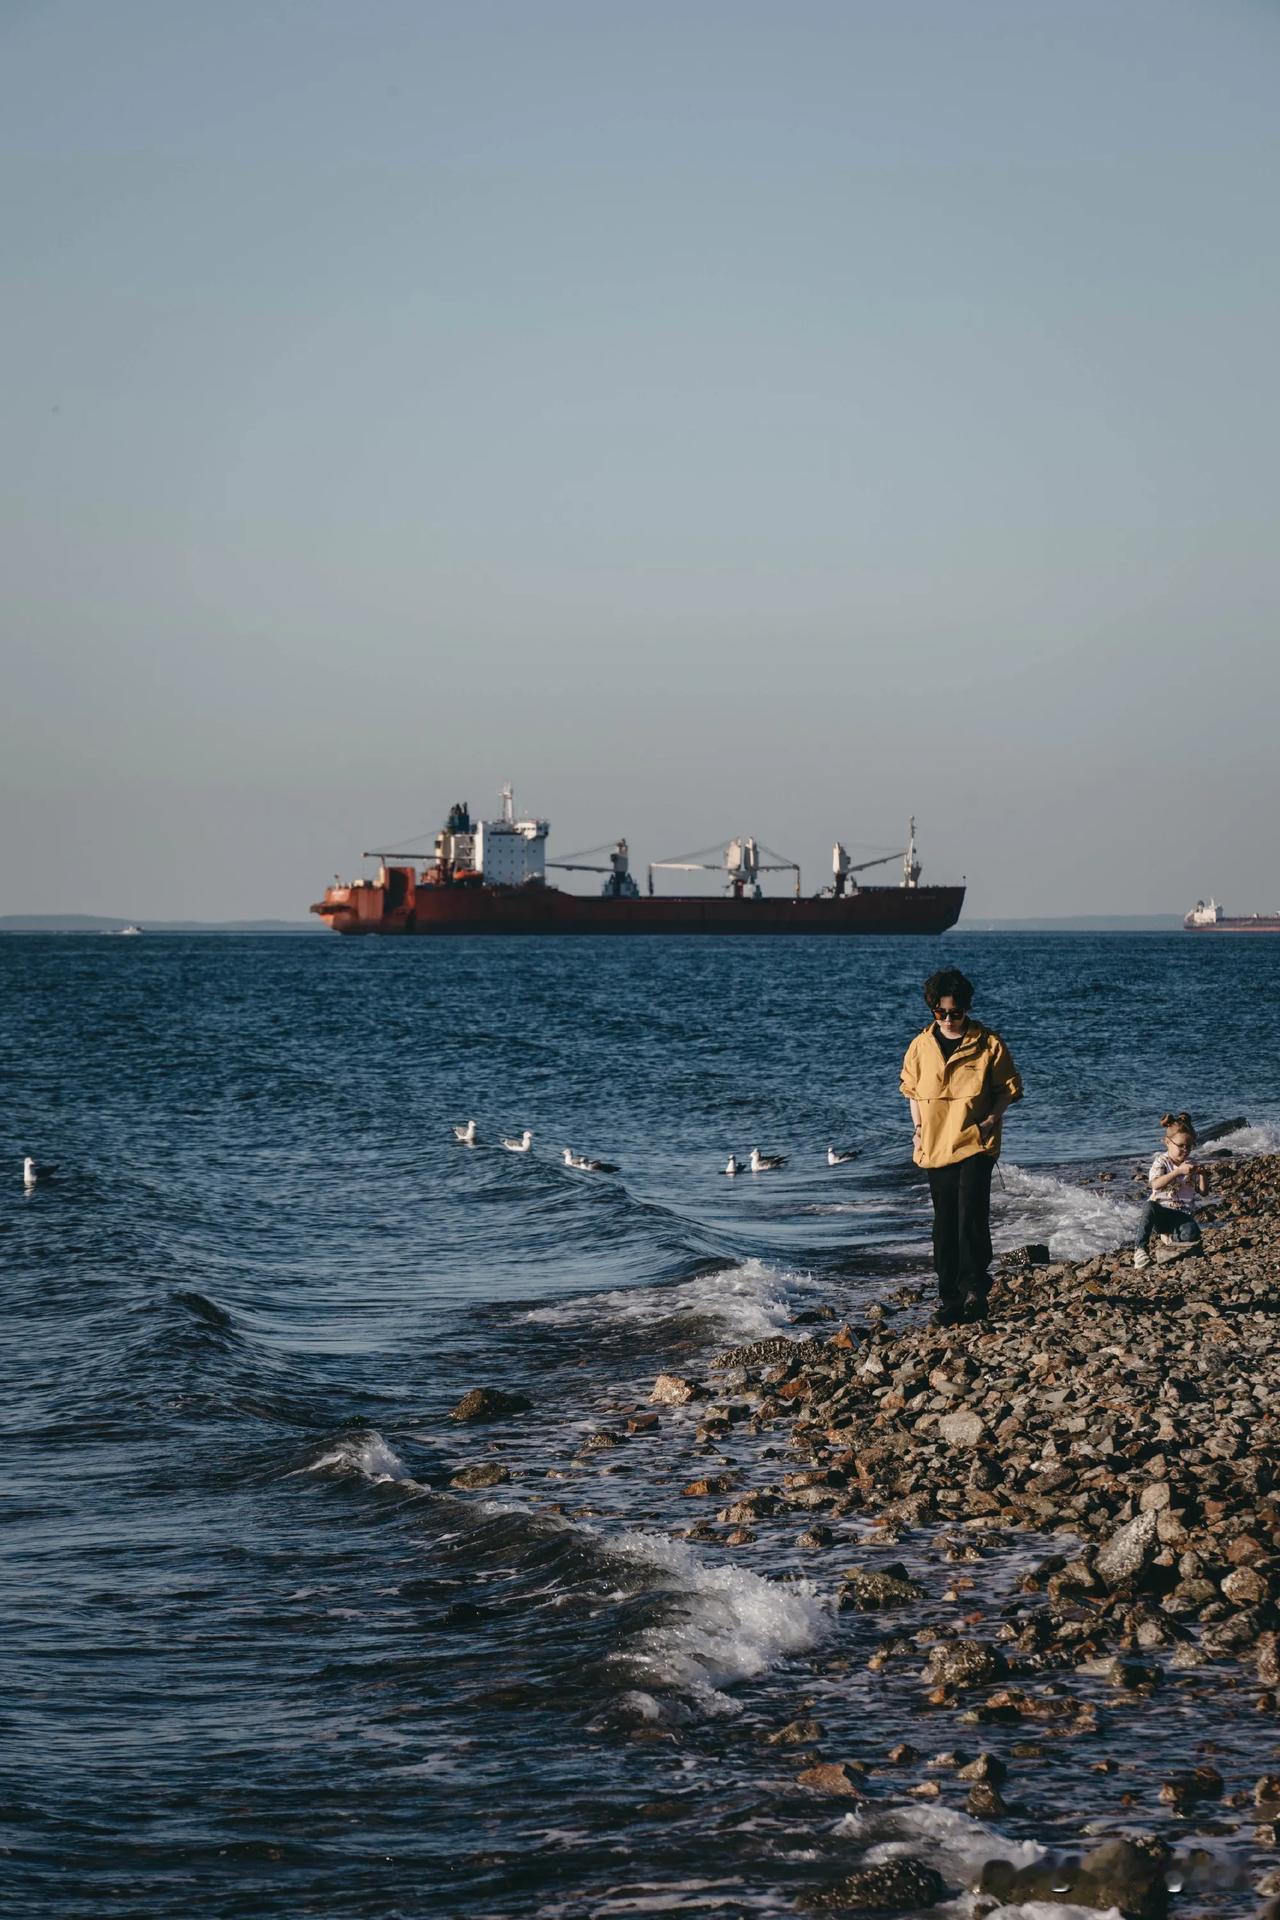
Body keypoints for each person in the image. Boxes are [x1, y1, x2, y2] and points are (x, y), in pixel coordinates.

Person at [900, 968, 1023, 1326]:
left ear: (967, 1008)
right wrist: (918, 1129)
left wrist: (990, 1120)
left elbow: (1008, 1089)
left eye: (956, 1012)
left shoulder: (989, 1044)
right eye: (942, 1013)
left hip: (975, 1143)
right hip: (935, 1145)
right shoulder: (919, 1047)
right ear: (932, 1010)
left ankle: (974, 1290)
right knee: (945, 1222)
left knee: (971, 1214)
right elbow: (912, 1093)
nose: (950, 1019)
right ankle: (950, 1297)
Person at [1133, 1111, 1209, 1268]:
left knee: (1193, 1233)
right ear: (1167, 1142)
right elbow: (1155, 1185)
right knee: (1149, 1206)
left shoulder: (1191, 1163)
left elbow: (1203, 1192)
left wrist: (1202, 1175)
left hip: (1182, 1215)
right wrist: (1178, 1172)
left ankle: (1172, 1242)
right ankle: (1140, 1249)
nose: (1185, 1150)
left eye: (1189, 1146)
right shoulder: (1162, 1161)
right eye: (1181, 1146)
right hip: (1161, 1213)